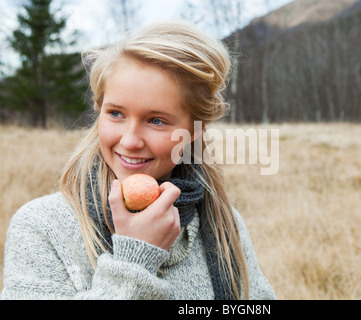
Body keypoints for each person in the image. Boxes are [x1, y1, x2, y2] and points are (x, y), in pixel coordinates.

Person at [1, 20, 276, 300]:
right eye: (116, 114)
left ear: (194, 131)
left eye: (156, 120)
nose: (130, 141)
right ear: (99, 110)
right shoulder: (43, 227)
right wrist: (135, 259)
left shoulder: (224, 226)